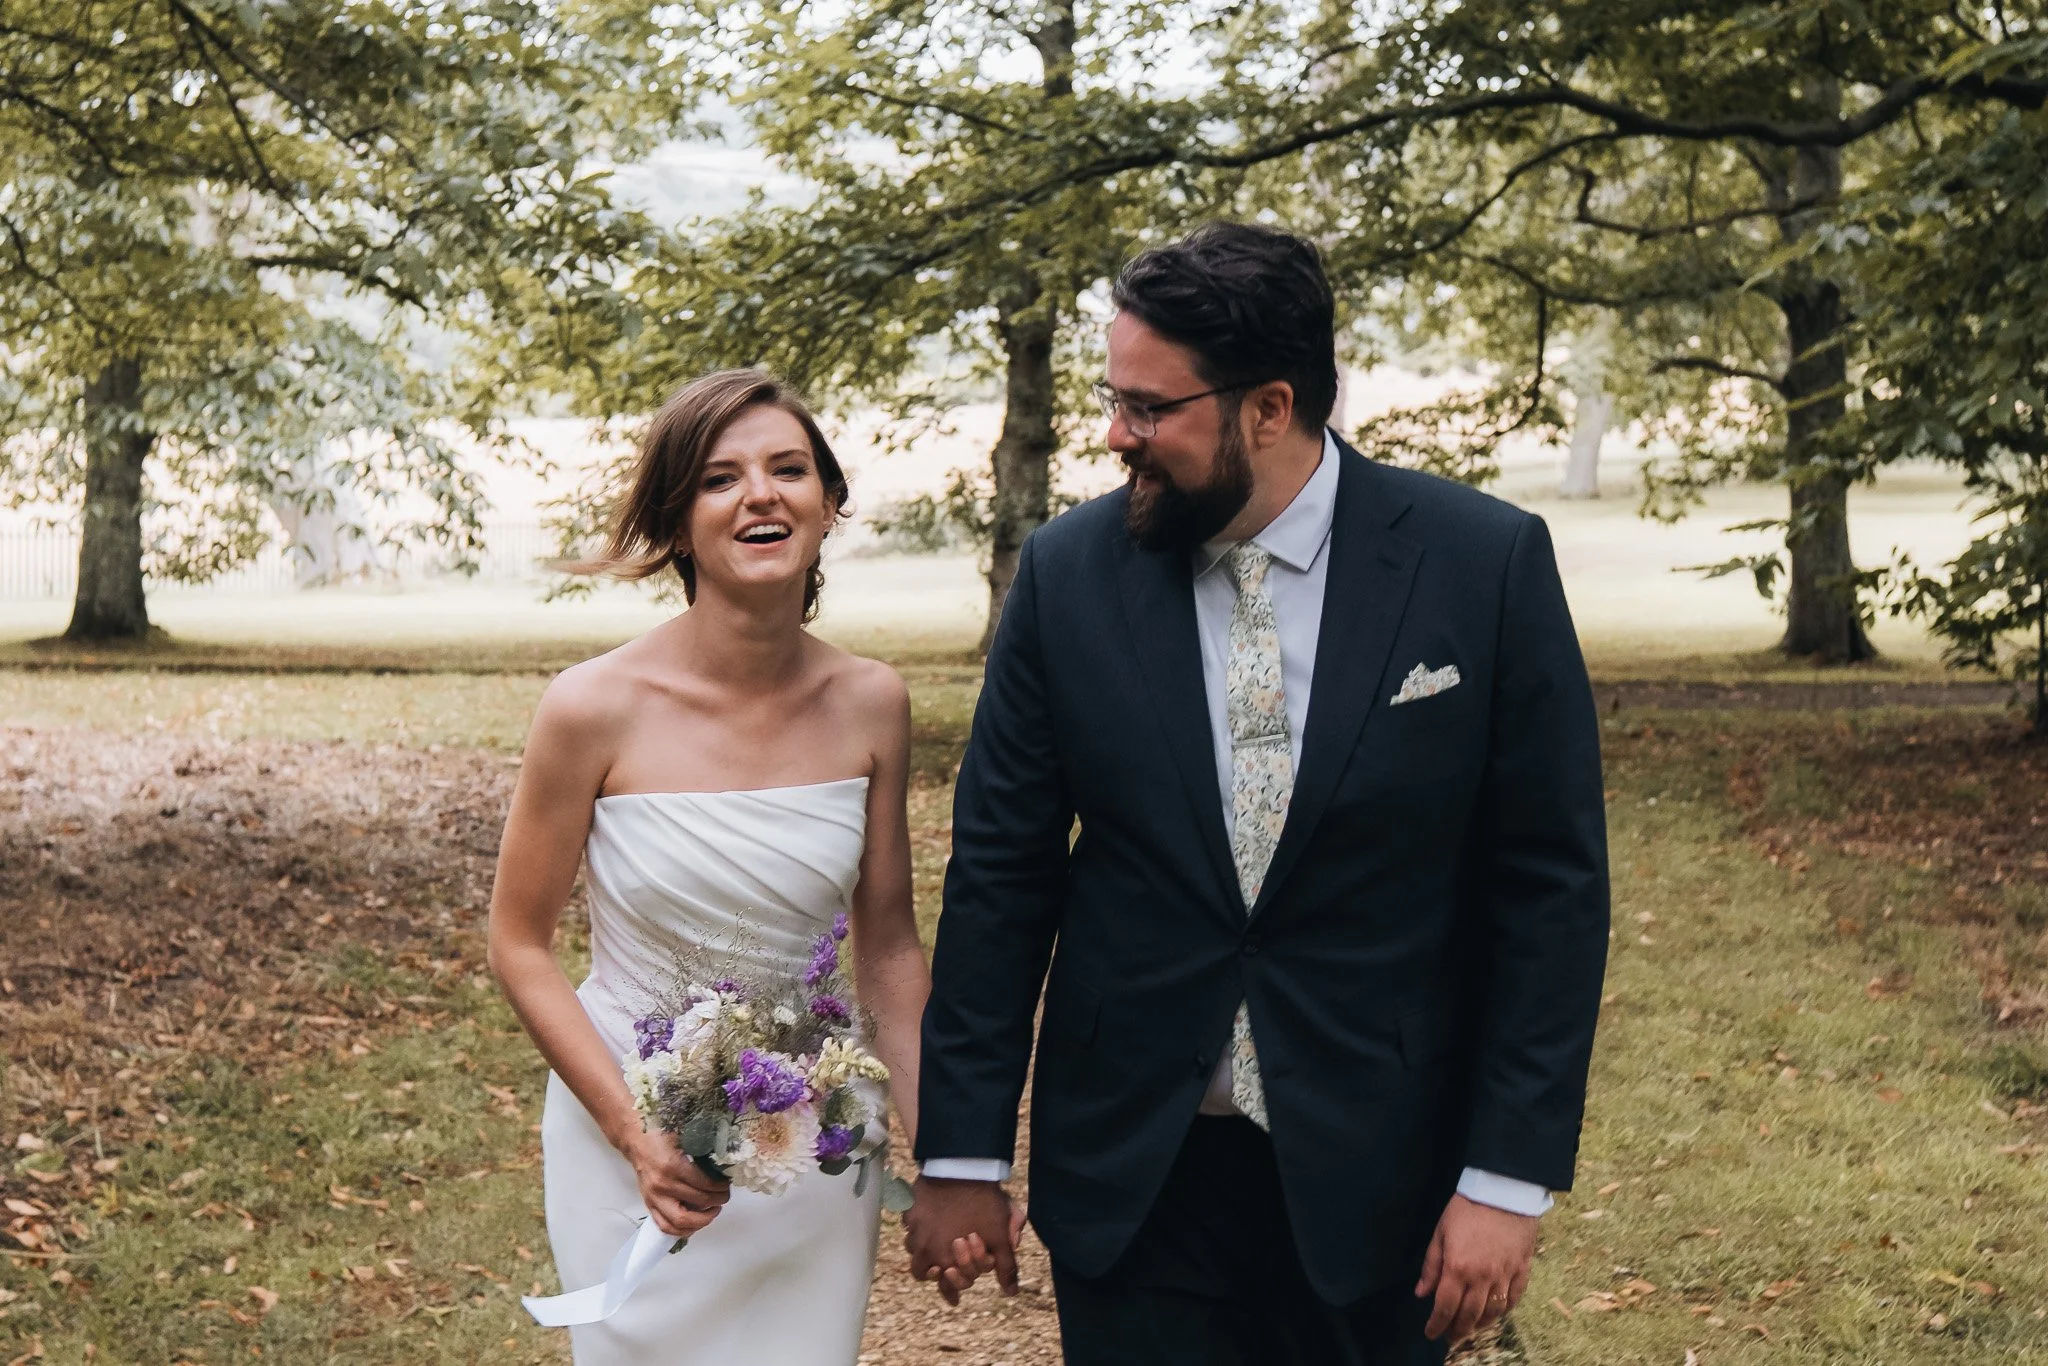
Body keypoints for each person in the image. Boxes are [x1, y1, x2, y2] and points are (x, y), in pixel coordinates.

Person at [906, 223, 1611, 1365]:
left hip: (1379, 1175)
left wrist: (1505, 1177)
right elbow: (1001, 873)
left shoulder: (1479, 564)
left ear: (1269, 408)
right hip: (1133, 1174)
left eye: (1147, 408)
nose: (1113, 434)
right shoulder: (1065, 574)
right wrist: (963, 1155)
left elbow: (1549, 892)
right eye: (1111, 398)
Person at [487, 370, 932, 1365]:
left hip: (808, 1145)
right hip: (632, 1137)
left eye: (788, 469)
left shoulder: (872, 704)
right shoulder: (590, 707)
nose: (761, 495)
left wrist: (946, 1160)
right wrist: (633, 1136)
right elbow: (517, 942)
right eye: (721, 479)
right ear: (677, 522)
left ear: (827, 504)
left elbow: (891, 949)